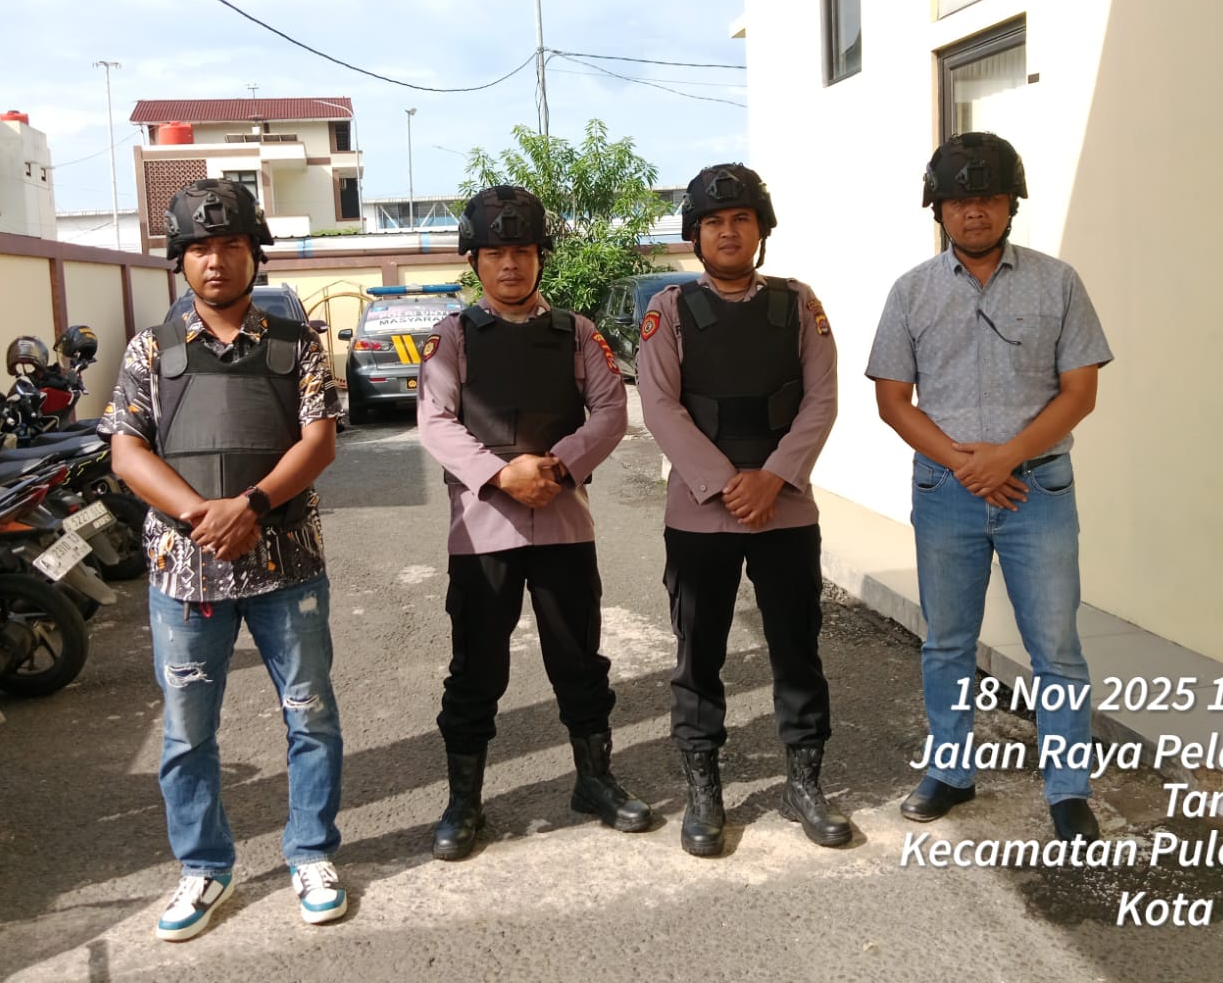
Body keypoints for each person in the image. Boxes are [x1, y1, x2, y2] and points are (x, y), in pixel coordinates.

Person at [102, 178, 346, 940]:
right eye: (201, 247)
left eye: (231, 245)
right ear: (180, 260)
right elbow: (126, 450)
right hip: (187, 576)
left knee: (310, 717)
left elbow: (319, 441)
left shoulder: (296, 344)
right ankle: (204, 867)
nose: (216, 261)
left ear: (254, 254)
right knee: (187, 734)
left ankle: (311, 852)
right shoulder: (151, 349)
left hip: (287, 567)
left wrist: (252, 506)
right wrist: (199, 516)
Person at [865, 131, 1113, 843]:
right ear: (938, 209)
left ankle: (1068, 788)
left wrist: (1007, 457)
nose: (974, 211)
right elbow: (893, 401)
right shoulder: (911, 291)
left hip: (1039, 489)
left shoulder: (1058, 282)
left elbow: (1080, 391)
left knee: (1056, 646)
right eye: (958, 200)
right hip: (946, 493)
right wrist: (966, 464)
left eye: (990, 197)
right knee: (947, 641)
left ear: (1011, 204)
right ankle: (950, 770)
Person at [417, 184, 650, 861]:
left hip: (563, 526)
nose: (510, 264)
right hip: (481, 532)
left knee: (580, 661)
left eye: (522, 251)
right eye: (495, 253)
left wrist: (557, 467)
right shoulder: (453, 336)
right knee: (475, 671)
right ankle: (464, 802)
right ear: (474, 261)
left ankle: (595, 781)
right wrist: (501, 475)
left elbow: (611, 411)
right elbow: (435, 420)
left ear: (541, 256)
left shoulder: (577, 334)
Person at [637, 164, 851, 856]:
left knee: (797, 649)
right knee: (699, 653)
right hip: (701, 515)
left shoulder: (799, 303)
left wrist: (775, 478)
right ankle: (705, 792)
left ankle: (804, 785)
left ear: (761, 229)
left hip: (784, 512)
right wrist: (728, 482)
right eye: (713, 222)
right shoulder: (669, 309)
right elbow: (659, 406)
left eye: (741, 219)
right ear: (695, 234)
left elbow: (821, 399)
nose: (728, 231)